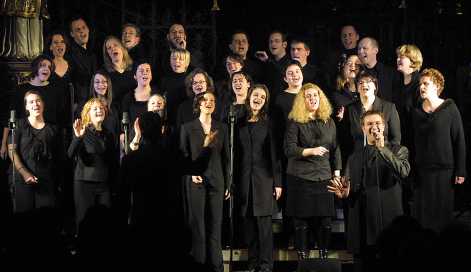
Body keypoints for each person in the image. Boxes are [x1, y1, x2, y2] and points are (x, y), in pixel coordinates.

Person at [328, 110, 410, 272]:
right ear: (363, 128)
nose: (374, 127)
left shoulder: (398, 150)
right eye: (369, 124)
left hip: (389, 221)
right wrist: (345, 194)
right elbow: (350, 186)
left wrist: (382, 149)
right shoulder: (355, 157)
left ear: (384, 126)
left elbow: (403, 172)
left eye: (378, 123)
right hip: (363, 224)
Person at [284, 83, 341, 259]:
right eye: (308, 96)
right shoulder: (295, 121)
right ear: (302, 100)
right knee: (301, 222)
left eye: (315, 95)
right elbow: (289, 149)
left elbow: (335, 148)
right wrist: (311, 151)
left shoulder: (328, 121)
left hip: (323, 176)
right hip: (300, 177)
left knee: (325, 221)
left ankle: (324, 256)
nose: (313, 98)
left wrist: (337, 173)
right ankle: (303, 257)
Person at [180, 91, 230, 272]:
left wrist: (228, 183)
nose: (209, 103)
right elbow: (183, 155)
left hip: (217, 181)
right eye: (205, 100)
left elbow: (227, 158)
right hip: (196, 182)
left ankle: (217, 267)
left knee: (215, 226)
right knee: (198, 227)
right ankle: (199, 265)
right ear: (198, 104)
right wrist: (191, 173)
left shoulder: (222, 128)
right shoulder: (187, 127)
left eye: (212, 101)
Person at [412, 68, 466, 232]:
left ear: (436, 85)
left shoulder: (450, 108)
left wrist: (461, 170)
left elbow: (459, 140)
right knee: (424, 215)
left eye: (426, 83)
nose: (421, 87)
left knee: (442, 214)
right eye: (420, 84)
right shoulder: (416, 111)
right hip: (423, 171)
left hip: (444, 171)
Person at [236, 84, 282, 272]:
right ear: (249, 97)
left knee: (264, 228)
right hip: (244, 180)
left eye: (262, 97)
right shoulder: (239, 122)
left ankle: (265, 266)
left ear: (265, 102)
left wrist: (278, 182)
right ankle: (253, 264)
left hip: (264, 180)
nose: (258, 99)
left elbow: (274, 155)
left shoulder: (269, 123)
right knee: (249, 227)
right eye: (255, 95)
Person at [68, 98, 118, 230]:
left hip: (104, 183)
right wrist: (78, 138)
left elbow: (112, 161)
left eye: (101, 108)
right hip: (85, 182)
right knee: (84, 221)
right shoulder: (82, 131)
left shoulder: (109, 134)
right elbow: (69, 155)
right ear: (87, 113)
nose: (99, 110)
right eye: (95, 108)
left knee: (105, 221)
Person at [8, 91, 61, 213]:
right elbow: (12, 151)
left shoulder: (53, 128)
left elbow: (58, 157)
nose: (35, 104)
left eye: (38, 100)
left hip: (45, 181)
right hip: (22, 179)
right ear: (26, 106)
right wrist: (25, 173)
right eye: (31, 102)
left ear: (43, 104)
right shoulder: (17, 124)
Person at [345, 72, 401, 152]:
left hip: (382, 156)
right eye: (360, 82)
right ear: (357, 88)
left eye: (368, 81)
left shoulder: (389, 108)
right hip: (358, 158)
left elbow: (396, 139)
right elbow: (346, 139)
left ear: (375, 86)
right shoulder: (350, 109)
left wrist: (387, 155)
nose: (364, 84)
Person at [68, 17, 97, 106]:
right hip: (79, 105)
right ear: (72, 34)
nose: (82, 31)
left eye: (84, 28)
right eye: (78, 29)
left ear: (88, 30)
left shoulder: (92, 55)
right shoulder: (69, 55)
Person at [357, 37, 396, 102]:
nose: (360, 51)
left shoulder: (390, 73)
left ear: (375, 50)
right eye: (359, 49)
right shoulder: (357, 73)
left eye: (364, 48)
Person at [102, 36, 136, 109]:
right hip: (114, 111)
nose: (113, 48)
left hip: (133, 109)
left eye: (115, 45)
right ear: (107, 53)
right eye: (109, 48)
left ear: (122, 48)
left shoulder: (135, 68)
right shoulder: (104, 72)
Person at [255, 30, 291, 98]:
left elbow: (284, 73)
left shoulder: (291, 62)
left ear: (284, 44)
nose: (273, 44)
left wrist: (268, 61)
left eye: (276, 41)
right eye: (270, 42)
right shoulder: (267, 63)